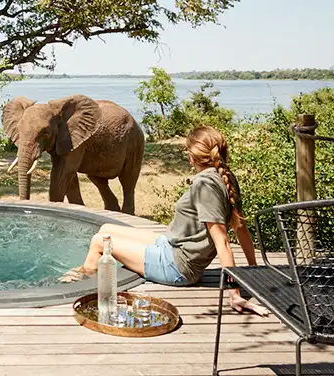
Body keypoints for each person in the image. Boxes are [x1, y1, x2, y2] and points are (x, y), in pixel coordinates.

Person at [60, 125, 269, 316]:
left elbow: (222, 242)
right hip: (171, 247)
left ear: (191, 157)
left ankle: (77, 285)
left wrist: (235, 293)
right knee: (106, 228)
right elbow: (242, 230)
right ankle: (86, 273)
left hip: (177, 267)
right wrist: (254, 271)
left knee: (99, 242)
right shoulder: (225, 177)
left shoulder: (205, 185)